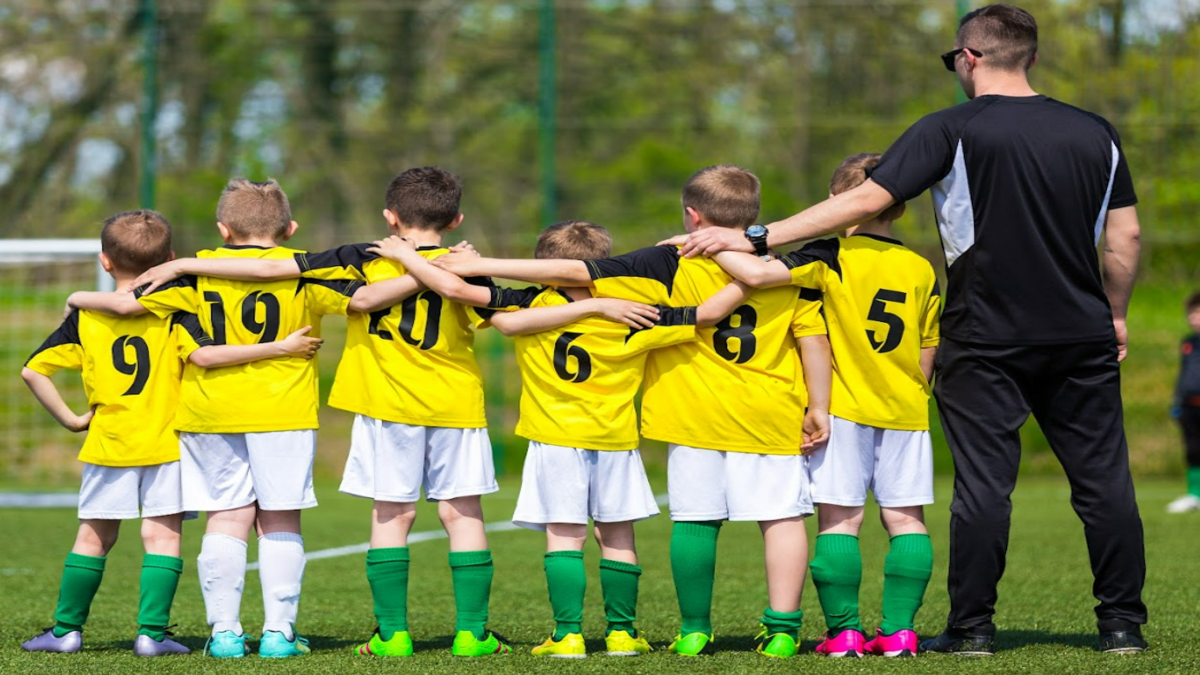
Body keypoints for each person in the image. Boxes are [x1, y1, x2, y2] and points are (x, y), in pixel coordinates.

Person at [675, 4, 1147, 655]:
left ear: (969, 57)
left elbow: (865, 199)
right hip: (1081, 332)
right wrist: (1115, 309)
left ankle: (973, 629)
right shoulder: (1098, 132)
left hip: (985, 337)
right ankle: (1122, 623)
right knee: (1103, 481)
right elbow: (1126, 236)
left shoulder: (949, 128)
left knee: (985, 486)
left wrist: (757, 235)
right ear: (1031, 57)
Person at [430, 165, 833, 659]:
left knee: (672, 524)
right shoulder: (784, 272)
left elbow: (504, 294)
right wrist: (819, 404)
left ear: (692, 215)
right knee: (779, 518)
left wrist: (465, 262)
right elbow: (756, 327)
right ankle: (772, 631)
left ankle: (660, 631)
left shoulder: (624, 285)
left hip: (664, 419)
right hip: (737, 417)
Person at [128, 167, 518, 658]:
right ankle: (461, 633)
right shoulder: (452, 265)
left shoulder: (343, 262)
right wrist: (440, 270)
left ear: (389, 217)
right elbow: (377, 303)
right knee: (457, 517)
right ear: (457, 219)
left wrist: (170, 267)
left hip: (249, 408)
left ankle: (244, 634)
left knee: (246, 518)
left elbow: (142, 304)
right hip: (401, 404)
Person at [370, 221, 749, 658]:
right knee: (618, 536)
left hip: (554, 437)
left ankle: (568, 635)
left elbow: (464, 295)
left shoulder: (527, 305)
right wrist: (752, 274)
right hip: (616, 439)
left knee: (565, 537)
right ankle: (622, 634)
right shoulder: (635, 308)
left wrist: (413, 258)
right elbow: (707, 314)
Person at [66, 181, 400, 658]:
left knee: (226, 518)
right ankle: (279, 634)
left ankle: (224, 634)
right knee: (281, 517)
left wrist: (78, 298)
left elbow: (128, 303)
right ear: (289, 229)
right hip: (283, 411)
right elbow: (367, 300)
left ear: (223, 228)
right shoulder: (305, 270)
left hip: (209, 413)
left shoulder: (193, 272)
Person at [20, 210, 322, 657]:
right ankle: (151, 635)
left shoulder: (86, 317)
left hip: (109, 441)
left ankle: (66, 631)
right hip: (167, 444)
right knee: (162, 538)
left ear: (105, 261)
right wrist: (280, 348)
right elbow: (206, 355)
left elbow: (33, 371)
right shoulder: (175, 310)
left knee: (92, 538)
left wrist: (71, 418)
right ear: (171, 259)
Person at [705, 154, 939, 658]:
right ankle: (900, 633)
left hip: (844, 408)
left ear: (835, 203)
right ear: (897, 210)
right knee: (906, 520)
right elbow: (928, 348)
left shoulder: (829, 252)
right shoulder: (920, 267)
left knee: (840, 521)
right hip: (907, 410)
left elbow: (760, 277)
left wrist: (711, 243)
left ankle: (844, 633)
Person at [1167, 291, 1200, 513]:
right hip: (1190, 405)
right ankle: (1195, 495)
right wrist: (1177, 401)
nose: (1194, 318)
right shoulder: (1188, 343)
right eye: (1191, 313)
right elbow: (1184, 374)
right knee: (1194, 450)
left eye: (1198, 313)